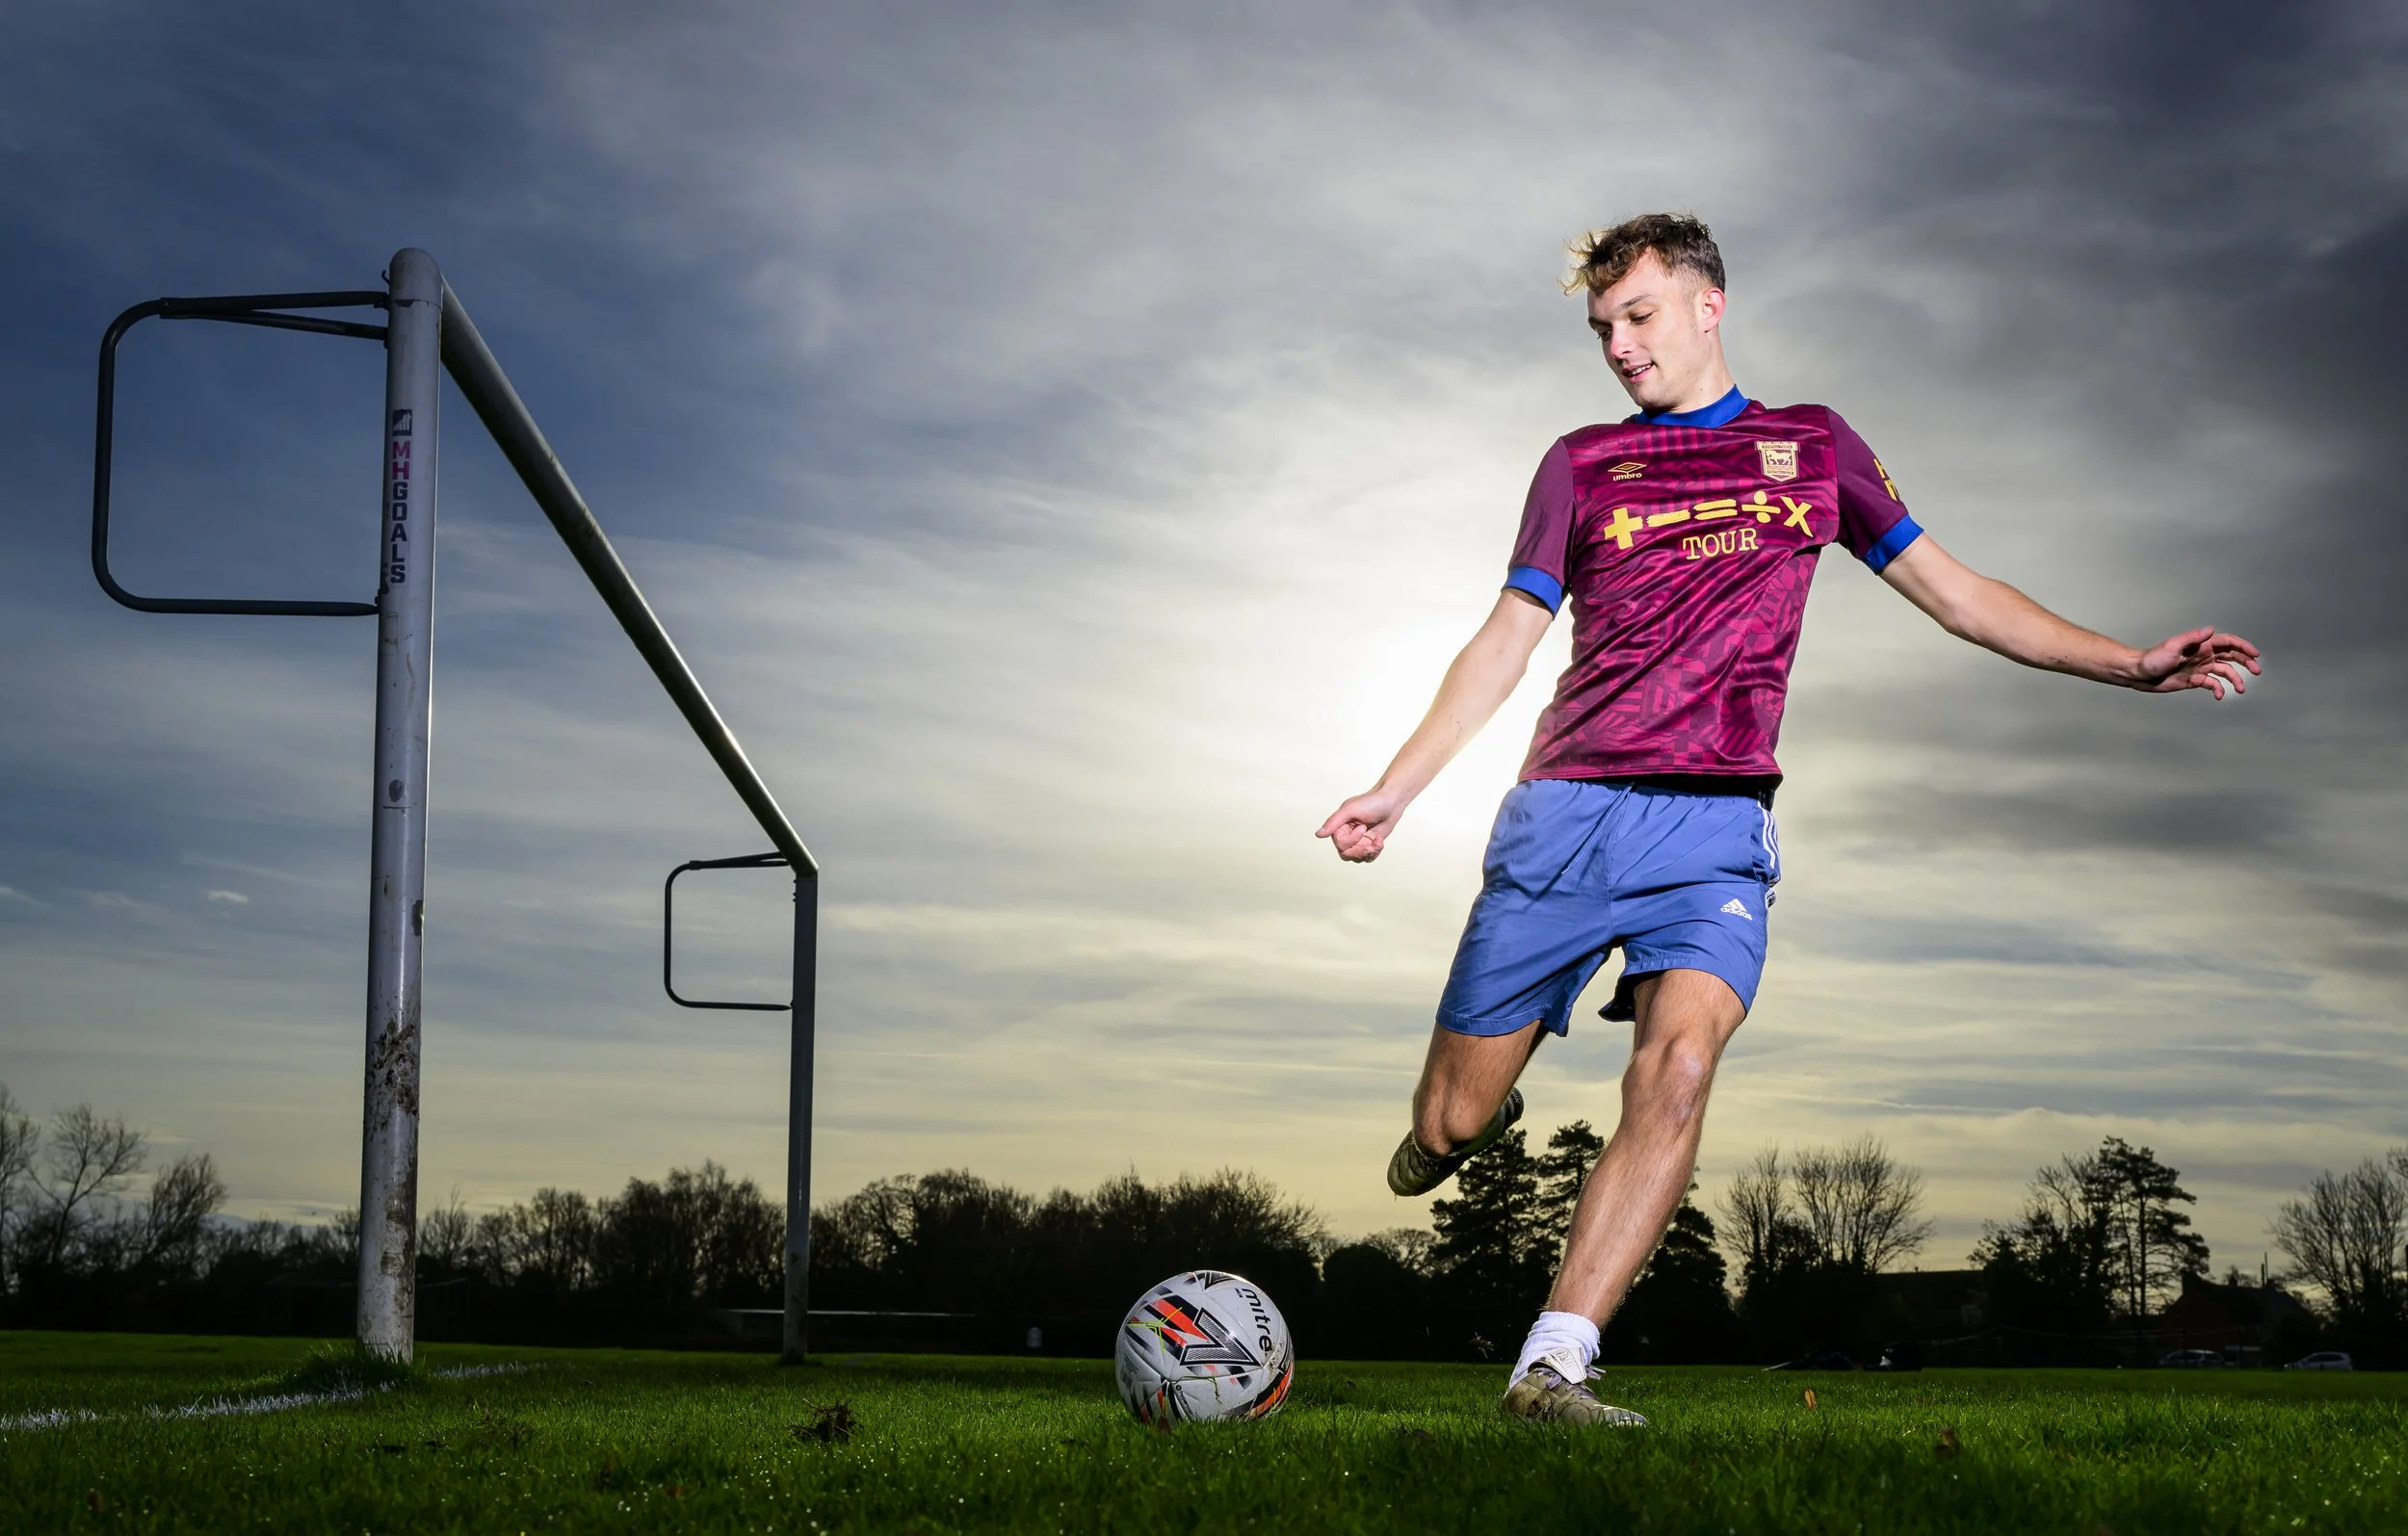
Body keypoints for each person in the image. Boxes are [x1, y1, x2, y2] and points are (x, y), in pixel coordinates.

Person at [1314, 213, 2262, 1425]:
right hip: (1565, 813)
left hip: (1713, 827)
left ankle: (1550, 1366)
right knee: (1453, 1118)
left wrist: (2128, 662)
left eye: (1638, 316)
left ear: (1709, 305)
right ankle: (1441, 1142)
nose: (1617, 345)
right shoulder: (1580, 463)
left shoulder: (1811, 447)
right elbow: (1508, 636)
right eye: (1601, 326)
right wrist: (1399, 786)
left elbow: (1959, 594)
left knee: (1681, 1064)